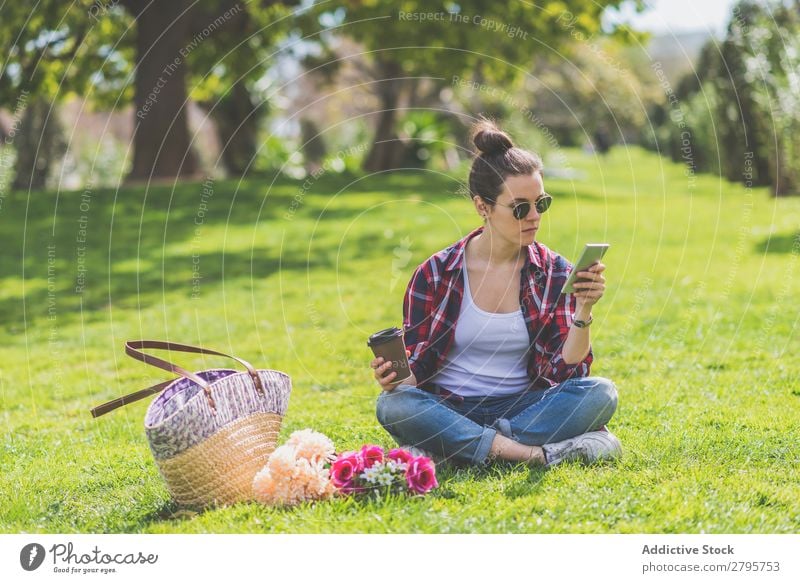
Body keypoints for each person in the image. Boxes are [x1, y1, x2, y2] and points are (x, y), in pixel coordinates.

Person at [370, 117, 622, 468]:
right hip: (450, 404)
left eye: (541, 204)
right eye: (520, 208)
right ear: (482, 207)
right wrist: (394, 377)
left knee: (601, 394)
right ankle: (534, 455)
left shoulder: (554, 272)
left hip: (523, 405)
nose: (534, 216)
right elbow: (417, 371)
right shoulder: (436, 273)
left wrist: (583, 310)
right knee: (393, 404)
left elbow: (567, 373)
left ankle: (457, 447)